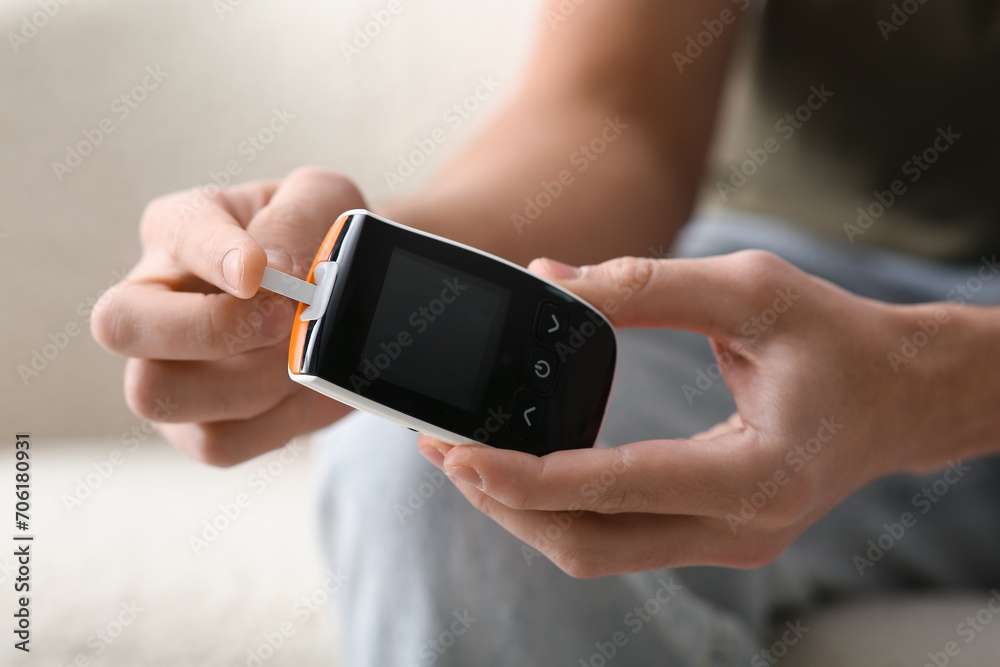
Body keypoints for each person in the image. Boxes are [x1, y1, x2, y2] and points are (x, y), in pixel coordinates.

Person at [92, 0, 1000, 664]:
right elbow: (617, 111)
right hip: (800, 284)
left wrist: (936, 387)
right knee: (430, 473)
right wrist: (374, 253)